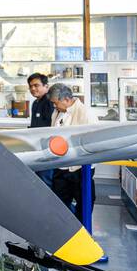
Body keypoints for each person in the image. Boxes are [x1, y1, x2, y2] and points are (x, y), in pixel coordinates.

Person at [47, 82, 95, 220]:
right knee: (58, 204)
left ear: (66, 99)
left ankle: (82, 235)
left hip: (80, 169)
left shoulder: (85, 113)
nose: (54, 106)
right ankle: (61, 235)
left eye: (56, 103)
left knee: (85, 204)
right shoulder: (57, 112)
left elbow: (92, 142)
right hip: (61, 167)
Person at [27, 73, 54, 185]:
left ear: (46, 86)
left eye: (36, 85)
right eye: (30, 86)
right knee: (38, 179)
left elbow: (52, 126)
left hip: (47, 149)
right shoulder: (35, 103)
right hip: (36, 148)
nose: (33, 88)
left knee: (45, 180)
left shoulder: (50, 102)